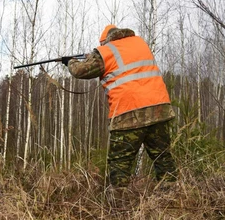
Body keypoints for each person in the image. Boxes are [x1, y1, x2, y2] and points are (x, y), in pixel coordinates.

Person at [62, 25, 177, 188]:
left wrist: (70, 61)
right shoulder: (140, 43)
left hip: (128, 113)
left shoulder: (107, 51)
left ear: (105, 41)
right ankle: (172, 199)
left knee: (119, 165)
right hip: (159, 109)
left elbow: (80, 71)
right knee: (163, 158)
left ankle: (119, 207)